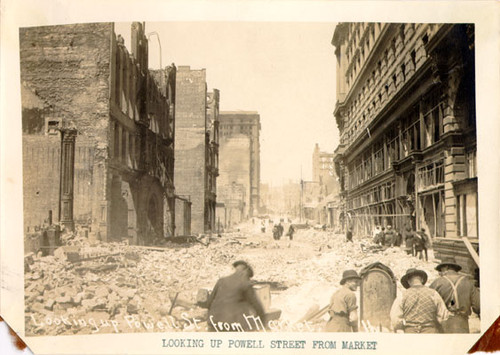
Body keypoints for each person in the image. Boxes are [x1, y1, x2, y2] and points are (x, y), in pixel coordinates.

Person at [207, 260, 266, 332]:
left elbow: (209, 302)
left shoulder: (221, 281)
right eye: (248, 277)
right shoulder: (245, 283)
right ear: (245, 271)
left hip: (214, 322)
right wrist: (263, 321)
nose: (248, 279)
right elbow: (256, 305)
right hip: (232, 324)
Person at [429, 257, 480, 333]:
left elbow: (429, 305)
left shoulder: (437, 282)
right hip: (462, 323)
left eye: (441, 270)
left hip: (443, 324)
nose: (440, 273)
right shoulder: (468, 282)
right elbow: (478, 306)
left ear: (446, 268)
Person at [391, 268, 449, 333]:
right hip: (430, 333)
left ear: (408, 281)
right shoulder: (433, 293)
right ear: (421, 279)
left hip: (410, 333)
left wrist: (400, 328)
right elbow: (443, 315)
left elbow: (395, 317)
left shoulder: (403, 295)